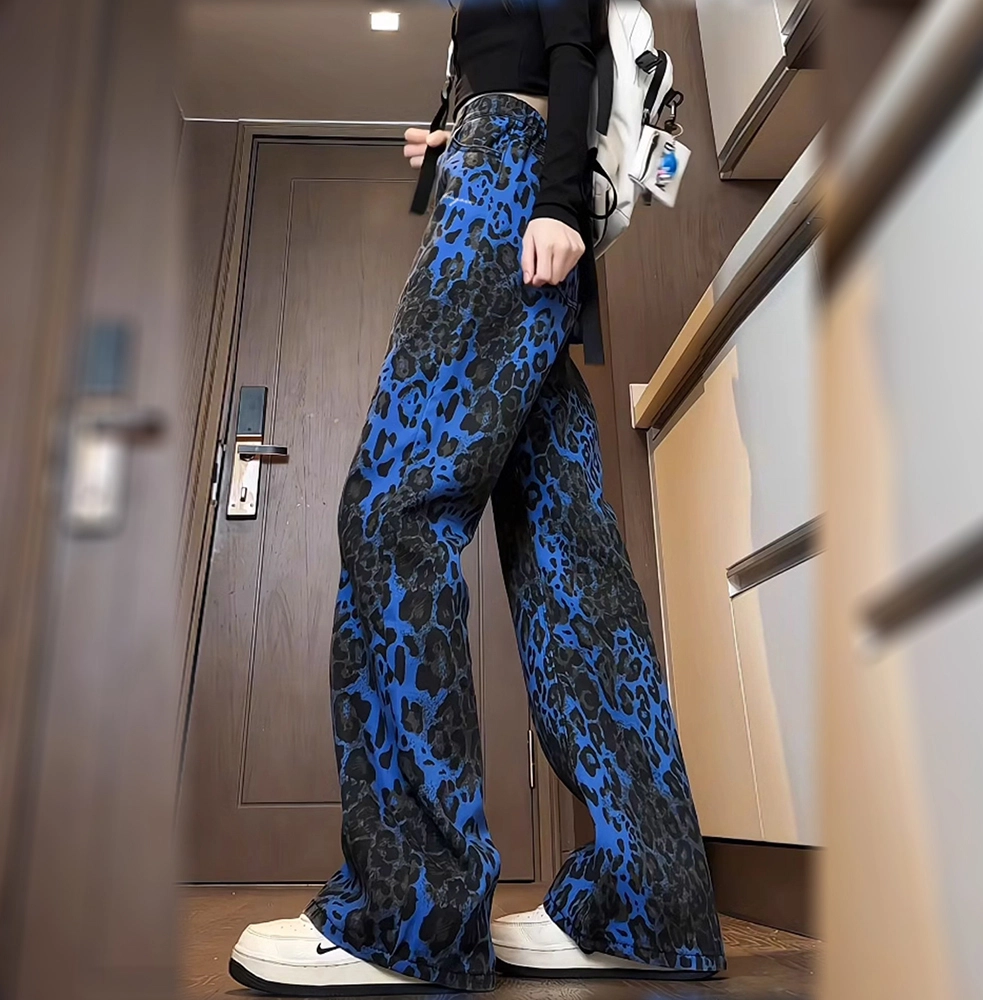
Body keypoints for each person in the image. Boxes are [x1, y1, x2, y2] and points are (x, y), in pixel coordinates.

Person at [229, 1, 725, 994]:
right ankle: (651, 902)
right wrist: (461, 138)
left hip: (512, 190)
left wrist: (552, 199)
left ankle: (412, 912)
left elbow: (571, 46)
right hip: (508, 176)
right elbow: (535, 60)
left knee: (393, 514)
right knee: (567, 561)